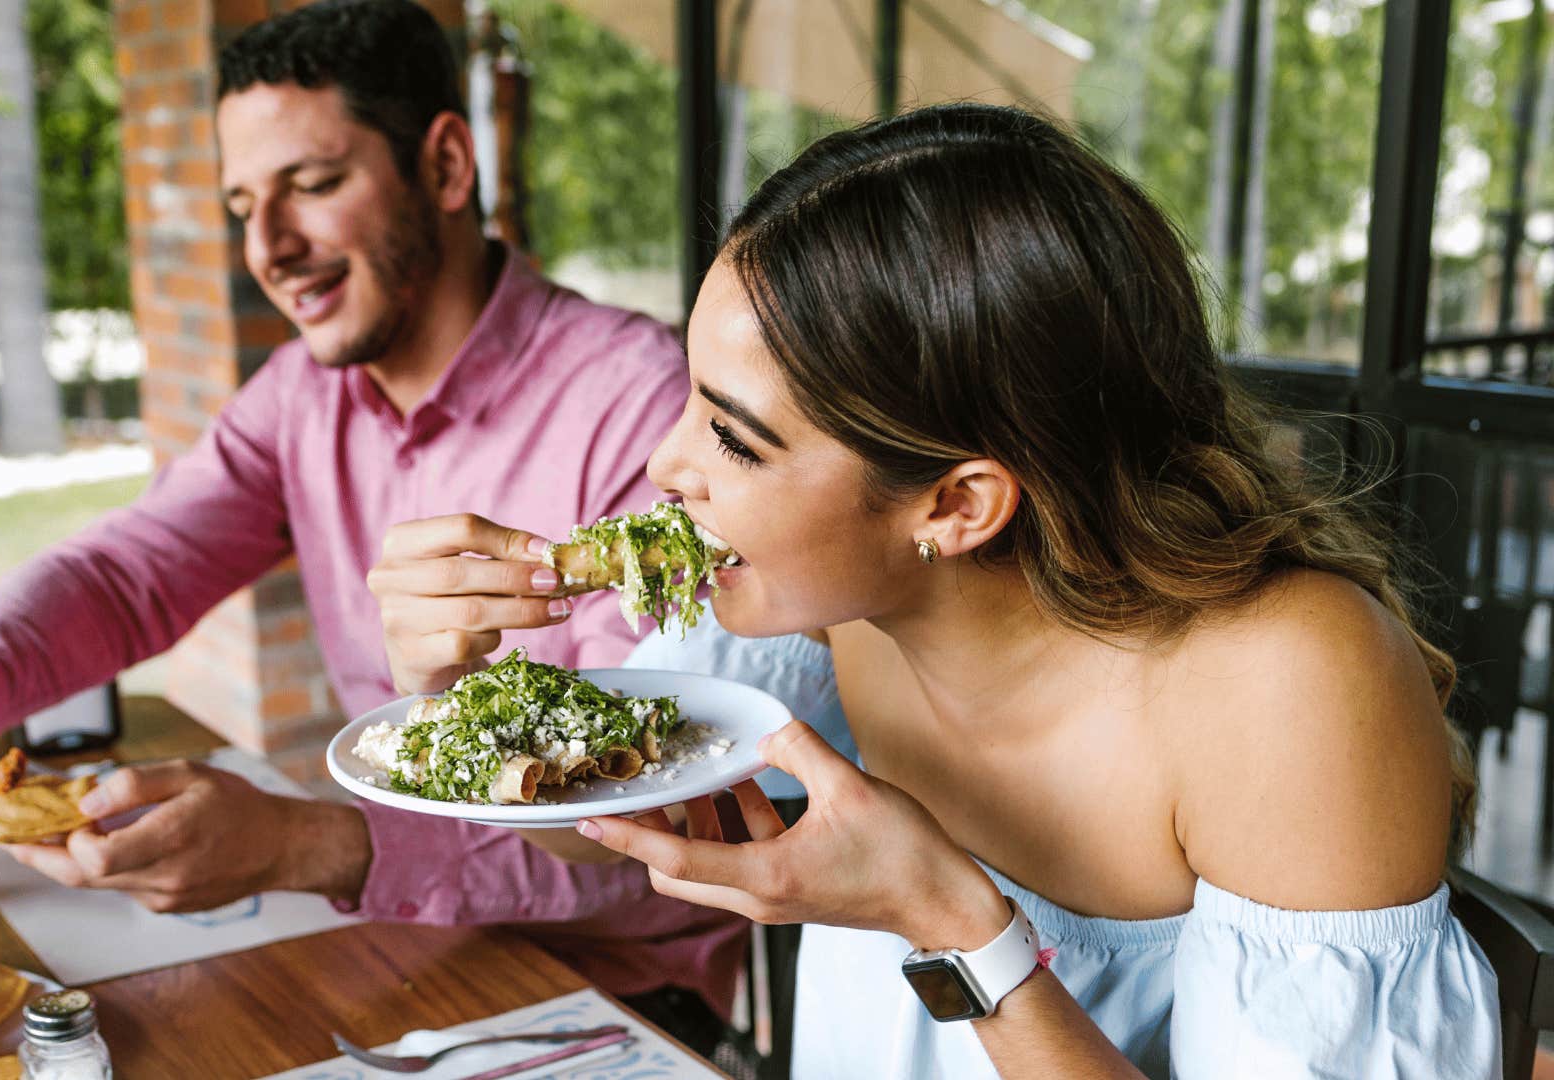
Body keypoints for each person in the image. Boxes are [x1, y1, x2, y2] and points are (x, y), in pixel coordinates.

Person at [372, 104, 1502, 1077]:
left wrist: (954, 920)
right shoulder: (834, 612)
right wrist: (453, 700)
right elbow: (622, 833)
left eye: (734, 438)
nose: (665, 471)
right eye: (692, 401)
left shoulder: (1289, 688)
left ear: (958, 506)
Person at [0, 0, 743, 1039]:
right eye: (244, 205)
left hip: (618, 999)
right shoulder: (301, 396)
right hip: (396, 946)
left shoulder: (640, 409)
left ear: (448, 165)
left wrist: (309, 847)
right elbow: (130, 571)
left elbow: (656, 846)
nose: (270, 248)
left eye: (315, 185)